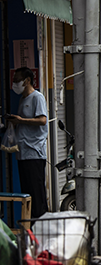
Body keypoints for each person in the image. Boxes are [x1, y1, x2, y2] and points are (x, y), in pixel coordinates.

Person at [7, 67, 48, 218]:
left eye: (17, 80)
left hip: (35, 153)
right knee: (27, 194)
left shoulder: (37, 97)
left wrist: (21, 120)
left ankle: (41, 227)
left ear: (27, 80)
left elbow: (42, 120)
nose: (14, 83)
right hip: (23, 152)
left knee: (37, 194)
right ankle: (30, 229)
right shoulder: (23, 99)